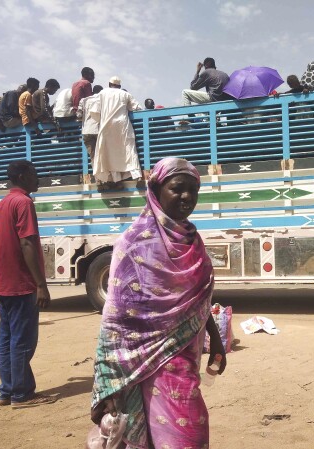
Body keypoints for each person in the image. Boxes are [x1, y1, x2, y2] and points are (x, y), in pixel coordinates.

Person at [91, 157, 227, 449]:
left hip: (183, 358)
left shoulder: (192, 240)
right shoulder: (132, 243)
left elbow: (197, 302)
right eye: (178, 188)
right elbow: (115, 318)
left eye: (193, 190)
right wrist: (109, 377)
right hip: (138, 362)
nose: (187, 197)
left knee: (188, 433)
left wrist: (215, 339)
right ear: (156, 190)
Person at [0, 160, 57, 408]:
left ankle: (7, 391)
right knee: (22, 340)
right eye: (33, 173)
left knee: (7, 339)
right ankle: (21, 394)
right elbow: (27, 243)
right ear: (22, 176)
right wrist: (41, 284)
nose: (37, 177)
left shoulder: (3, 203)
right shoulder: (23, 202)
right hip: (21, 282)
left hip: (4, 282)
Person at [91, 76, 142, 187]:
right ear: (119, 86)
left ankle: (115, 178)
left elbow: (94, 111)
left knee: (110, 154)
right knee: (128, 149)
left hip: (106, 127)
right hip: (122, 125)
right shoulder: (125, 94)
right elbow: (137, 107)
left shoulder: (102, 93)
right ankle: (136, 174)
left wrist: (102, 118)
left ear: (109, 84)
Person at [77, 85, 104, 164]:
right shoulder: (102, 100)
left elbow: (79, 115)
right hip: (98, 130)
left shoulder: (84, 100)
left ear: (92, 92)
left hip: (86, 131)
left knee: (93, 156)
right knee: (102, 155)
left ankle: (96, 174)